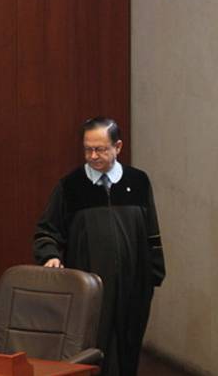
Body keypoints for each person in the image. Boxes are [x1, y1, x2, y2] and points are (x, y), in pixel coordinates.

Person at [33, 117, 165, 376]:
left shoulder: (139, 182)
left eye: (100, 149)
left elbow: (152, 232)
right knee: (93, 353)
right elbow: (47, 231)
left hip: (133, 287)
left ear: (118, 147)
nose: (93, 156)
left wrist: (153, 275)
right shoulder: (71, 186)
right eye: (87, 149)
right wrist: (50, 256)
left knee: (128, 351)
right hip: (90, 289)